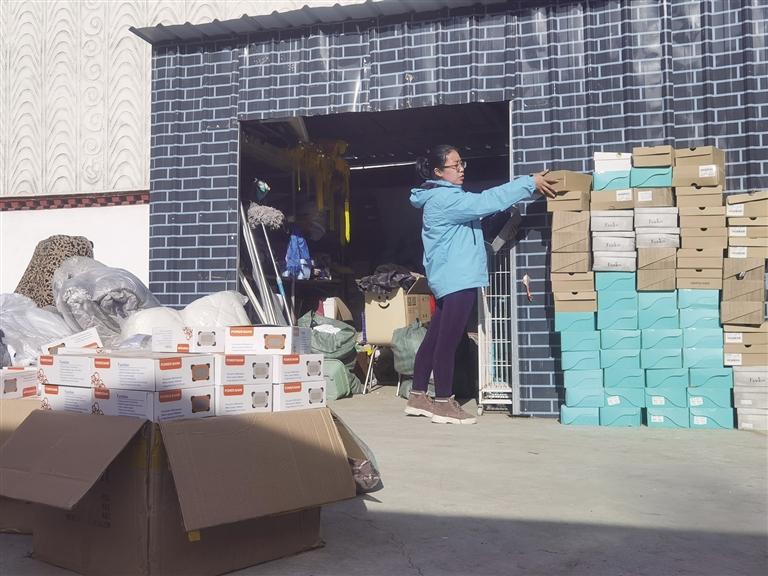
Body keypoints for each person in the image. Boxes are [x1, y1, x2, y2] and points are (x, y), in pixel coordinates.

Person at [407, 145, 558, 424]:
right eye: (454, 165)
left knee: (436, 337)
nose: (461, 169)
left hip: (449, 276)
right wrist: (528, 183)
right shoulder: (445, 199)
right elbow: (487, 201)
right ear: (438, 172)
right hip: (458, 278)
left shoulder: (438, 196)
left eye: (461, 163)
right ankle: (443, 402)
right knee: (449, 342)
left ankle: (417, 396)